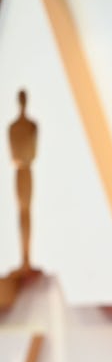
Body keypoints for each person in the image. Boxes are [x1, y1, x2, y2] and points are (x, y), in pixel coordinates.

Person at [8, 89, 38, 275]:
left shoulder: (32, 126)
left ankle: (26, 258)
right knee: (22, 212)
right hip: (21, 171)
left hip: (26, 170)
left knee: (26, 211)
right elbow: (16, 154)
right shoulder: (13, 128)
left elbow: (32, 152)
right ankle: (24, 258)